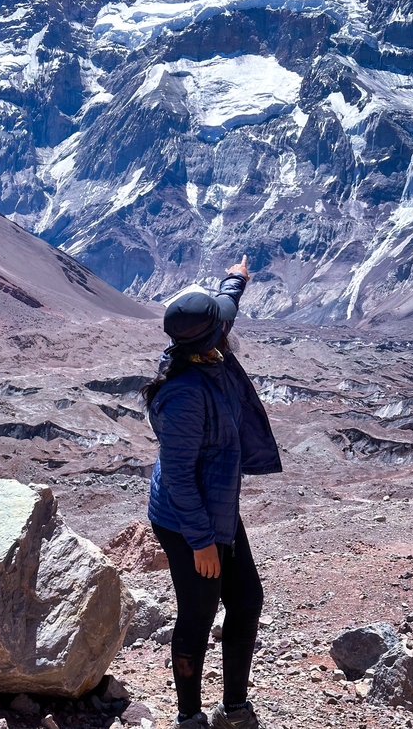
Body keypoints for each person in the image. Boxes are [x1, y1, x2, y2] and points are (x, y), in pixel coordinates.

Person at [143, 255, 282, 729]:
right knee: (199, 612)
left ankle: (235, 708)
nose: (227, 325)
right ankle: (189, 718)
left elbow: (226, 304)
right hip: (187, 519)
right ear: (210, 338)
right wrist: (201, 541)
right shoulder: (184, 395)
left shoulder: (201, 346)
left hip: (215, 505)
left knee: (246, 601)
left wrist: (236, 278)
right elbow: (179, 476)